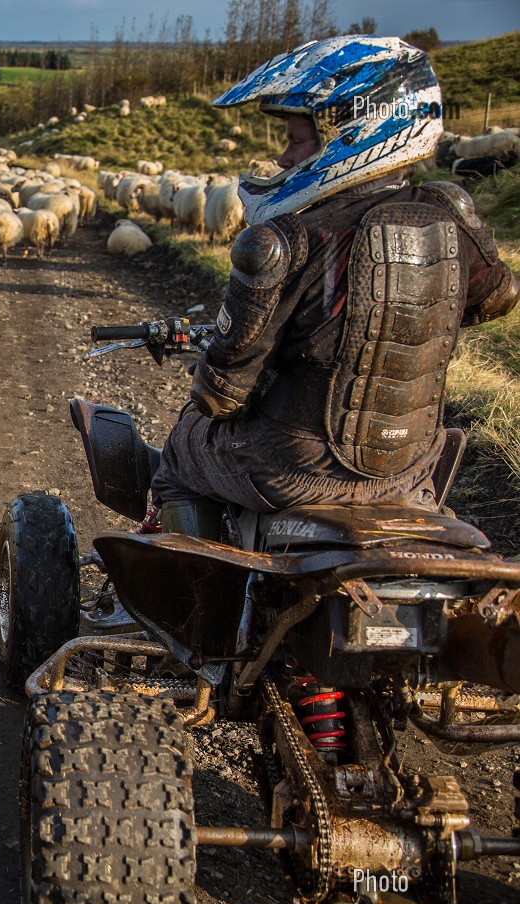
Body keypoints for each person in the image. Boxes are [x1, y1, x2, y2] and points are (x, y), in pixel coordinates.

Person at [150, 35, 518, 536]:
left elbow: (223, 395)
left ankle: (197, 602)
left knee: (184, 444)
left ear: (355, 135)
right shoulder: (450, 213)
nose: (283, 159)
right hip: (410, 465)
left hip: (295, 469)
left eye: (298, 141)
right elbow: (498, 296)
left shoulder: (286, 242)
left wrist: (213, 371)